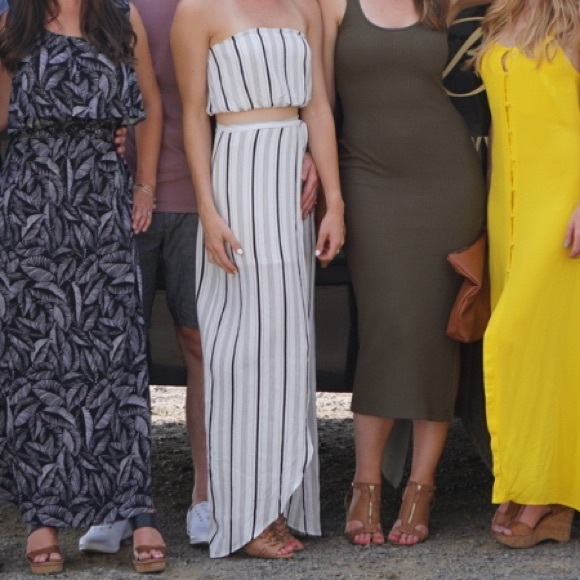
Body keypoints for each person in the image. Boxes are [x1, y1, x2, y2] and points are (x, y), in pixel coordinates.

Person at [171, 0, 345, 559]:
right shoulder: (197, 11)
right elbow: (193, 115)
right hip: (236, 182)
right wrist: (208, 210)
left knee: (289, 345)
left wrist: (335, 203)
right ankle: (245, 516)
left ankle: (280, 503)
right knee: (240, 349)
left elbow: (317, 107)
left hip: (290, 191)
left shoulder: (301, 6)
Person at [0, 0, 166, 574]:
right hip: (31, 210)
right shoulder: (13, 24)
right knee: (36, 365)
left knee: (116, 356)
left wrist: (144, 185)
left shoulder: (121, 17)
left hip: (102, 204)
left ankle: (139, 510)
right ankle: (41, 519)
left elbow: (150, 107)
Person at [318, 0, 489, 546]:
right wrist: (330, 193)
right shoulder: (332, 4)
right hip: (367, 179)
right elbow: (319, 100)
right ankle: (365, 483)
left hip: (448, 181)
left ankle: (421, 487)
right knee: (386, 326)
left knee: (437, 334)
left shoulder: (445, 3)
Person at [475, 0, 580, 548]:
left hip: (561, 202)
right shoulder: (498, 17)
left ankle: (544, 490)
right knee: (542, 351)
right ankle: (530, 482)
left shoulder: (575, 20)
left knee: (515, 338)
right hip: (507, 204)